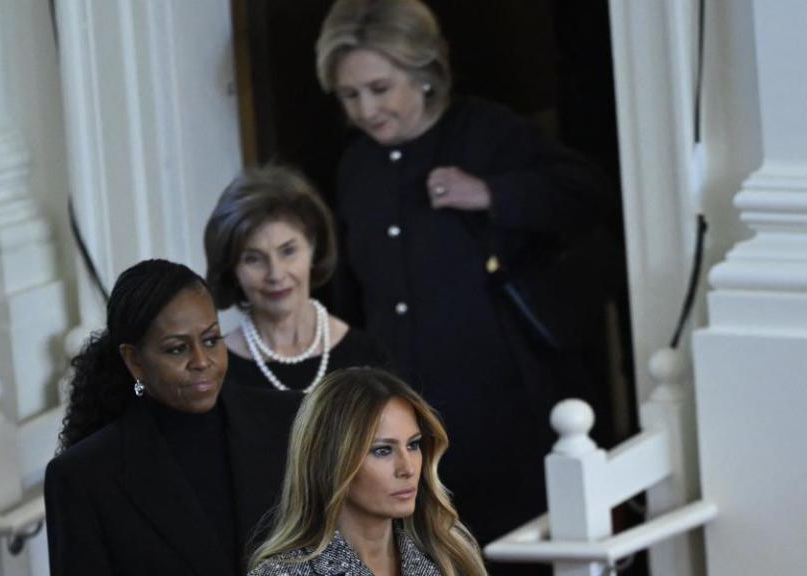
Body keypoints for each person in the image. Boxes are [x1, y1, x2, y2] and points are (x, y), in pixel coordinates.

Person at [315, 0, 623, 564]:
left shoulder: (486, 131)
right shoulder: (354, 167)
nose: (366, 109)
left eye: (380, 88)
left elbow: (590, 193)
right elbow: (353, 298)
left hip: (506, 409)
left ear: (424, 72)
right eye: (349, 96)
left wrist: (492, 194)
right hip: (404, 427)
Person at [44, 259, 302, 576]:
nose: (202, 361)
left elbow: (339, 549)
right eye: (177, 349)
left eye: (210, 340)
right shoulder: (83, 476)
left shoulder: (291, 421)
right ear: (135, 361)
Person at [248, 367, 488, 576]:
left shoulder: (450, 557)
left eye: (413, 445)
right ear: (331, 460)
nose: (408, 468)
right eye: (383, 450)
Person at [204, 165, 389, 394]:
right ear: (232, 268)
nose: (276, 274)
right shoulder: (213, 370)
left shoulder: (366, 357)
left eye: (288, 251)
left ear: (312, 246)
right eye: (253, 259)